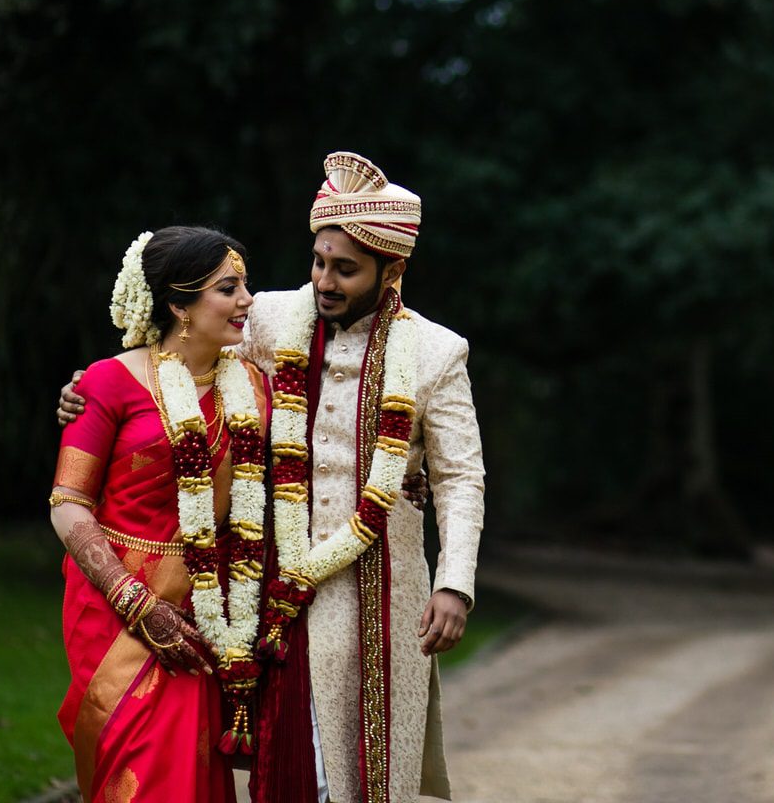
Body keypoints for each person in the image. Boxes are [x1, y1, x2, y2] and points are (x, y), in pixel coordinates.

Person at [60, 153, 486, 803]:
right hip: (272, 588)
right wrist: (81, 396)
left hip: (380, 589)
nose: (325, 281)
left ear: (391, 269)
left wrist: (454, 583)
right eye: (319, 261)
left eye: (345, 269)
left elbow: (461, 477)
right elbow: (173, 341)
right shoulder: (273, 317)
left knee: (372, 773)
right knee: (284, 772)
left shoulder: (436, 353)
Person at [49, 225, 260, 802]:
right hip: (114, 607)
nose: (247, 301)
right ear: (178, 304)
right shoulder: (108, 382)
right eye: (228, 288)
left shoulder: (257, 392)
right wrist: (137, 604)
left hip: (203, 612)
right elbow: (68, 505)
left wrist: (410, 467)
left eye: (246, 286)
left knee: (189, 779)